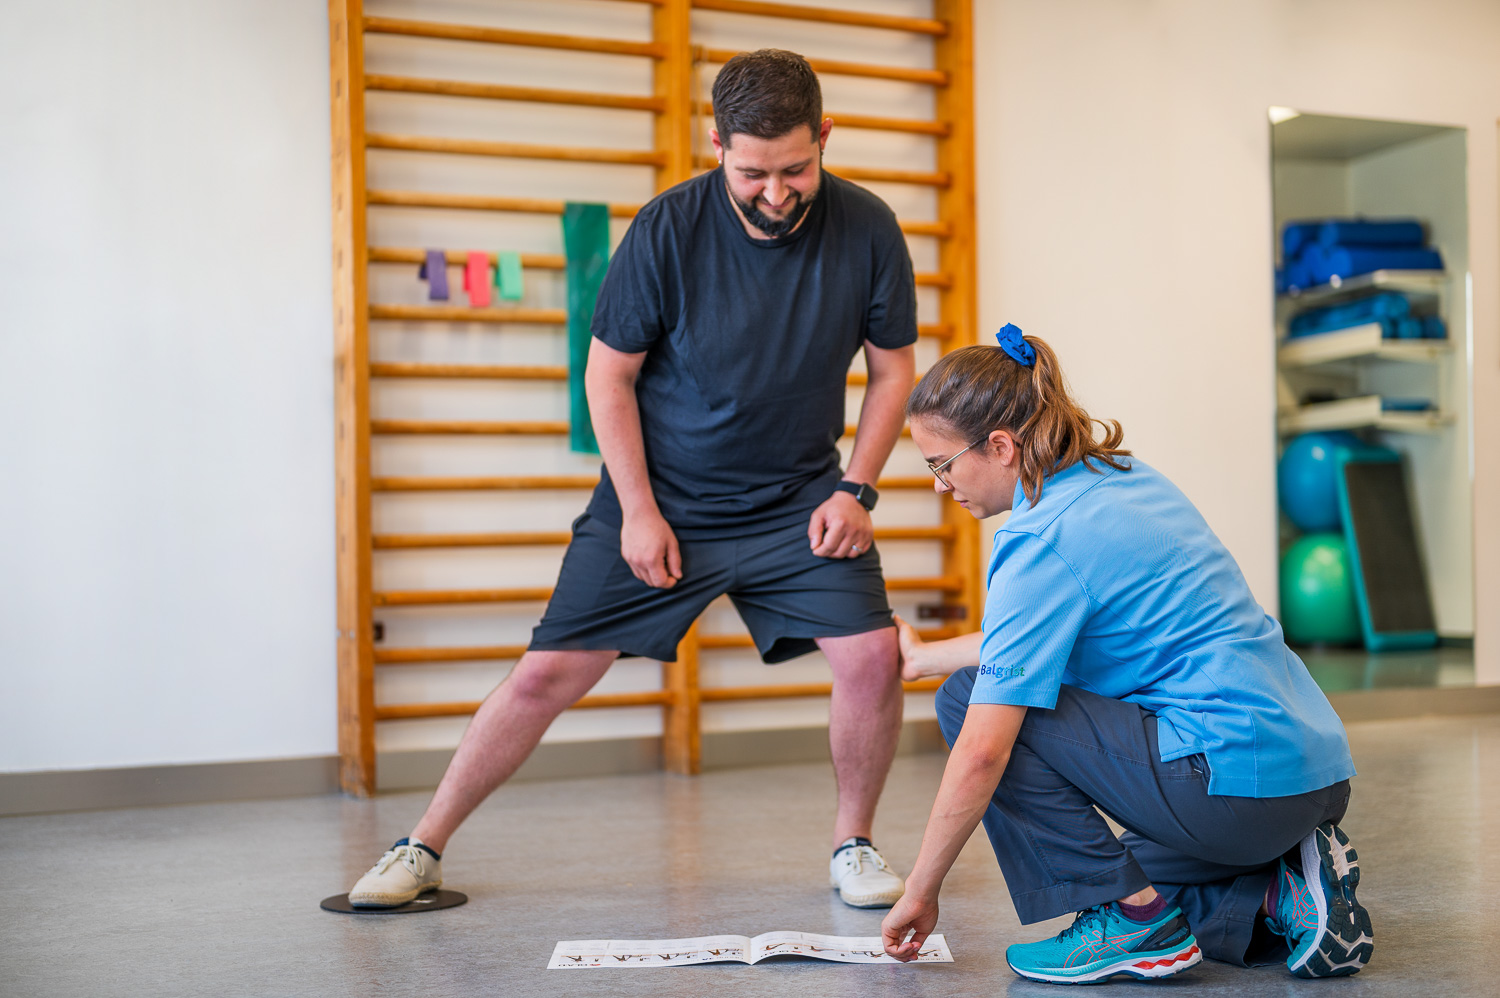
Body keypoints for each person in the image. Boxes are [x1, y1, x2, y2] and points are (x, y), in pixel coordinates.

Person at [348, 49, 917, 911]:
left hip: (800, 498)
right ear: (716, 142)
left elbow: (892, 370)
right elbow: (607, 376)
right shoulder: (667, 228)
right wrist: (640, 512)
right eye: (752, 171)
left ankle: (855, 845)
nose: (774, 192)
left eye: (796, 169)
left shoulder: (870, 228)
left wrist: (858, 490)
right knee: (547, 674)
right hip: (665, 496)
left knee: (873, 656)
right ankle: (421, 845)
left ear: (825, 139)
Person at [879, 326, 1373, 983]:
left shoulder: (1038, 541)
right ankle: (1285, 892)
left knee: (970, 702)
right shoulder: (1125, 478)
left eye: (941, 465)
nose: (940, 485)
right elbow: (1029, 643)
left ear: (999, 447)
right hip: (1310, 774)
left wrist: (919, 888)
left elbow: (983, 750)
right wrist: (922, 658)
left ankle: (1133, 923)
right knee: (1133, 866)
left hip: (1233, 788)